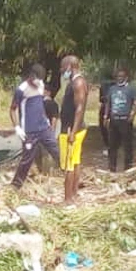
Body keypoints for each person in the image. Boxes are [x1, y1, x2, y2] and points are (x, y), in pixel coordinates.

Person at [9, 64, 60, 189]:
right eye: (38, 79)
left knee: (57, 151)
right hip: (29, 131)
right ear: (31, 76)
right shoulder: (21, 89)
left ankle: (71, 175)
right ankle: (15, 186)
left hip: (44, 128)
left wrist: (45, 119)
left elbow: (39, 104)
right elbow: (12, 109)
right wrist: (17, 127)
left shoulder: (41, 85)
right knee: (27, 160)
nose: (39, 81)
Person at [59, 55, 89, 203]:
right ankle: (74, 194)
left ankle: (68, 198)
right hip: (73, 128)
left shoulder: (77, 83)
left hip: (71, 130)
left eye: (63, 67)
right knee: (75, 162)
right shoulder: (74, 82)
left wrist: (73, 132)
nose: (62, 70)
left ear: (70, 66)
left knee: (69, 165)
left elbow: (79, 108)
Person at [102, 68, 136, 172]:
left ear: (126, 77)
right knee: (112, 146)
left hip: (125, 120)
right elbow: (108, 102)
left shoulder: (131, 89)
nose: (119, 78)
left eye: (121, 76)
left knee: (127, 145)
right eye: (118, 76)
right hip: (114, 120)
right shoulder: (112, 89)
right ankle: (112, 168)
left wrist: (133, 113)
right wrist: (105, 116)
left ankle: (127, 168)